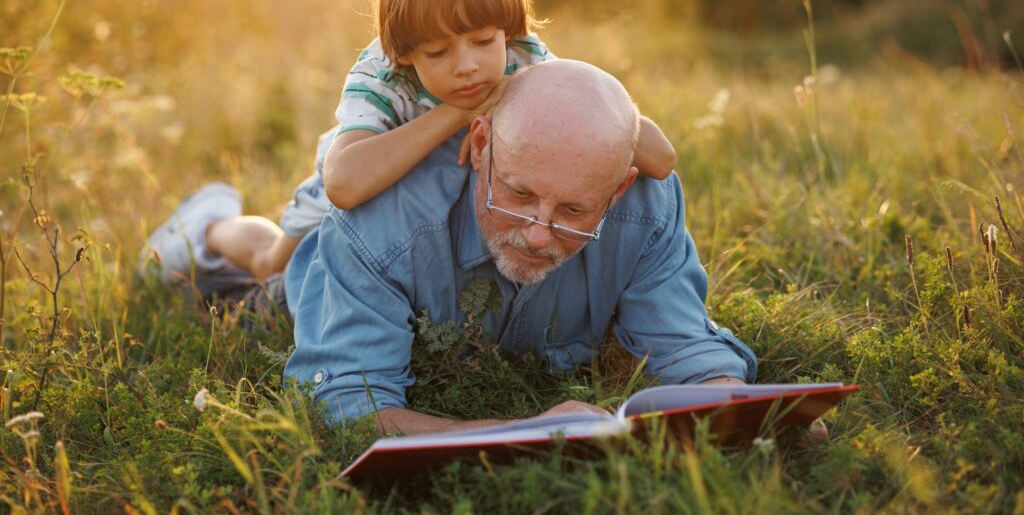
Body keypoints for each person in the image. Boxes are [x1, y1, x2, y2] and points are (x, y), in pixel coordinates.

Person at [141, 0, 675, 287]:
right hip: (370, 172)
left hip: (445, 202)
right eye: (439, 52)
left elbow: (659, 156)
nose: (467, 64)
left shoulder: (520, 57)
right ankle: (208, 225)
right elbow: (346, 184)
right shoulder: (381, 75)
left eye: (483, 41)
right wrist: (458, 114)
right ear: (404, 53)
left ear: (507, 31)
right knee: (271, 264)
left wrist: (554, 91)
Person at [283, 60, 756, 434]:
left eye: (574, 210)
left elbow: (685, 348)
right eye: (519, 195)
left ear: (618, 189)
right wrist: (525, 431)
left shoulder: (647, 205)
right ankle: (213, 222)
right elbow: (344, 408)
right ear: (482, 141)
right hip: (309, 262)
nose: (537, 234)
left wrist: (754, 416)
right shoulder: (383, 226)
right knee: (257, 268)